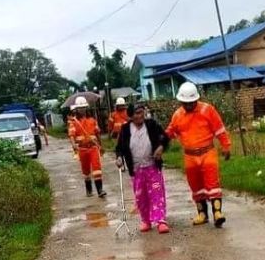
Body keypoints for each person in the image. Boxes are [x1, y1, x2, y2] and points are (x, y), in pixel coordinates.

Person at [165, 83, 232, 227]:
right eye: (185, 103)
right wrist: (159, 141)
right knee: (196, 186)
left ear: (196, 100)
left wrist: (226, 146)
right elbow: (170, 132)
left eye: (191, 103)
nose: (188, 106)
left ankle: (217, 213)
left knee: (212, 183)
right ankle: (202, 214)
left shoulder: (207, 110)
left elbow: (219, 129)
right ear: (181, 102)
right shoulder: (177, 115)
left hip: (208, 152)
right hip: (190, 156)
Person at [115, 103, 170, 234]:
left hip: (152, 167)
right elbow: (119, 148)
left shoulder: (151, 125)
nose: (140, 116)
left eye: (141, 112)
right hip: (137, 169)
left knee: (157, 192)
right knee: (141, 196)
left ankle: (161, 220)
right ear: (130, 116)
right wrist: (119, 158)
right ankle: (146, 220)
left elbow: (165, 138)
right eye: (136, 113)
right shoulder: (125, 129)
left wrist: (161, 147)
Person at [68, 96, 107, 198]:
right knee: (86, 171)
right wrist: (73, 145)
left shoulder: (92, 120)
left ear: (86, 108)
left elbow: (97, 133)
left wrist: (101, 145)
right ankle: (89, 190)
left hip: (93, 148)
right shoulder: (74, 122)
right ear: (76, 109)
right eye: (80, 108)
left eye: (84, 107)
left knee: (97, 168)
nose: (82, 109)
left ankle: (100, 190)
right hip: (82, 149)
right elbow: (71, 135)